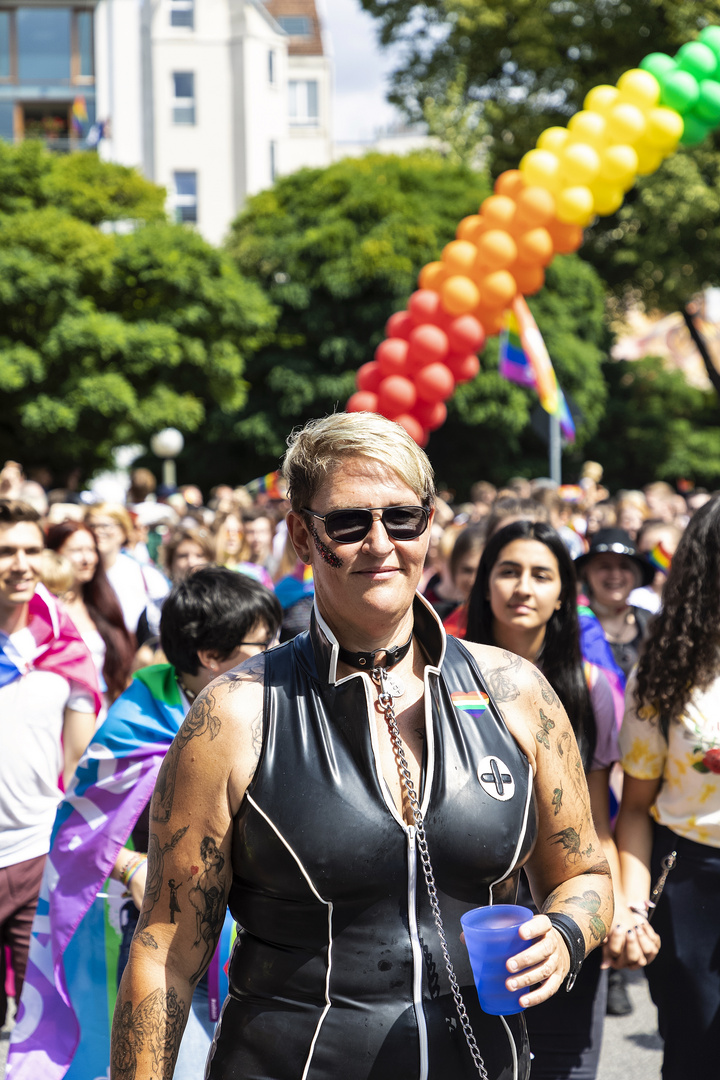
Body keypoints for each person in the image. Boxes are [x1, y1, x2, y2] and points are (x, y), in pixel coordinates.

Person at [111, 412, 613, 1080]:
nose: (381, 543)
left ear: (429, 525)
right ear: (301, 534)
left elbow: (584, 874)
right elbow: (166, 952)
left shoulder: (516, 692)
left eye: (403, 518)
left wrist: (566, 934)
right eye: (349, 523)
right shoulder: (234, 714)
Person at [8, 567, 282, 1080]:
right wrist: (133, 866)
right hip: (164, 945)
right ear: (208, 656)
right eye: (262, 642)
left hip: (259, 945)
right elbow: (77, 828)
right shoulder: (135, 725)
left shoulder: (280, 707)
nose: (277, 652)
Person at [465, 521, 620, 1079]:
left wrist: (613, 911)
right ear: (484, 586)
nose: (522, 588)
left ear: (563, 595)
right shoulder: (439, 678)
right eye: (508, 572)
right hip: (473, 927)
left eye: (541, 575)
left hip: (563, 922)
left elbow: (598, 824)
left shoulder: (593, 687)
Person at [609, 494, 720, 1080]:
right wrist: (631, 908)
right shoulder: (667, 668)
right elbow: (635, 808)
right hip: (693, 887)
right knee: (697, 1056)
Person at [0, 500, 99, 1028]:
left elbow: (80, 759)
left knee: (48, 1025)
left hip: (40, 853)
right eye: (5, 551)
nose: (20, 563)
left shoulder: (63, 644)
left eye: (30, 550)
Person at [46, 521, 135, 706]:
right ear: (54, 554)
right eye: (76, 550)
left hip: (103, 712)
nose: (87, 559)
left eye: (91, 550)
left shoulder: (104, 604)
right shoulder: (47, 609)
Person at [85, 503, 169, 636]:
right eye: (91, 526)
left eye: (105, 526)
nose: (97, 531)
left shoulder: (146, 575)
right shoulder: (79, 575)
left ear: (123, 531)